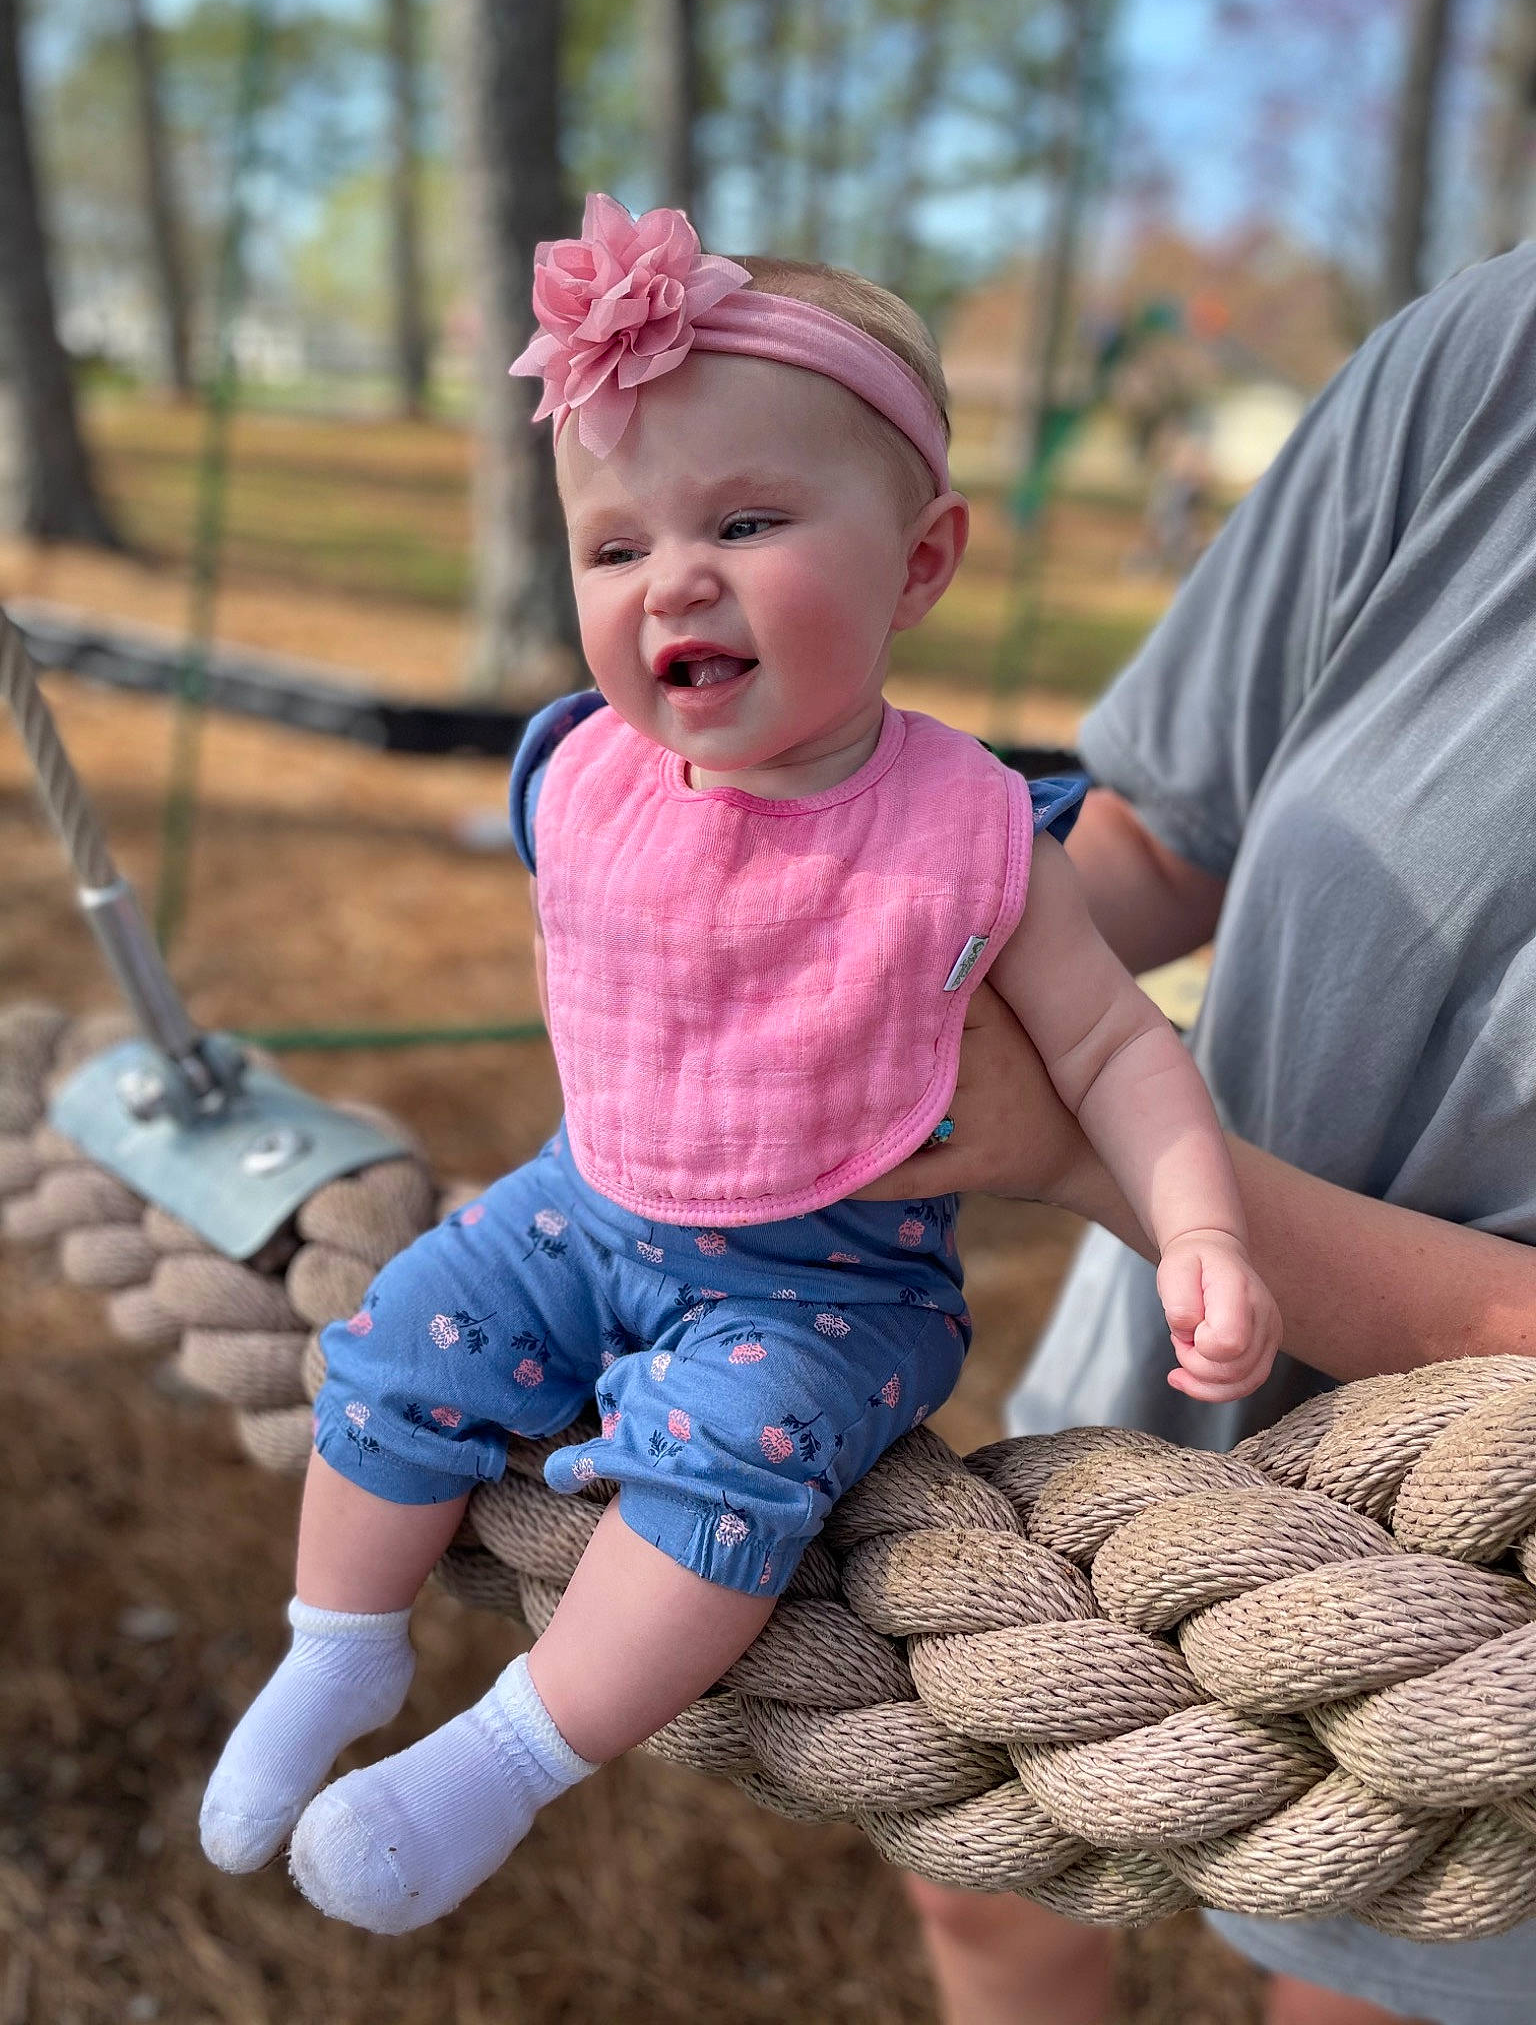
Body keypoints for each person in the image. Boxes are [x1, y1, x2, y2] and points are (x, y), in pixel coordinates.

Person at [196, 195, 1280, 1935]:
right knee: (396, 1339)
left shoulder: (972, 831)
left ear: (921, 560)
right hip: (581, 1207)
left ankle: (496, 1761)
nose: (672, 580)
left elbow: (1111, 1047)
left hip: (823, 1284)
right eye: (614, 548)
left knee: (727, 1474)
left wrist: (1203, 1225)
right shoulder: (582, 775)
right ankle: (334, 1652)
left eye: (749, 520)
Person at [867, 240, 1536, 2025]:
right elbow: (1168, 830)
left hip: (1481, 1575)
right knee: (987, 1889)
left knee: (1353, 1980)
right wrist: (880, 966)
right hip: (1156, 1390)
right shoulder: (1493, 351)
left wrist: (1097, 1153)